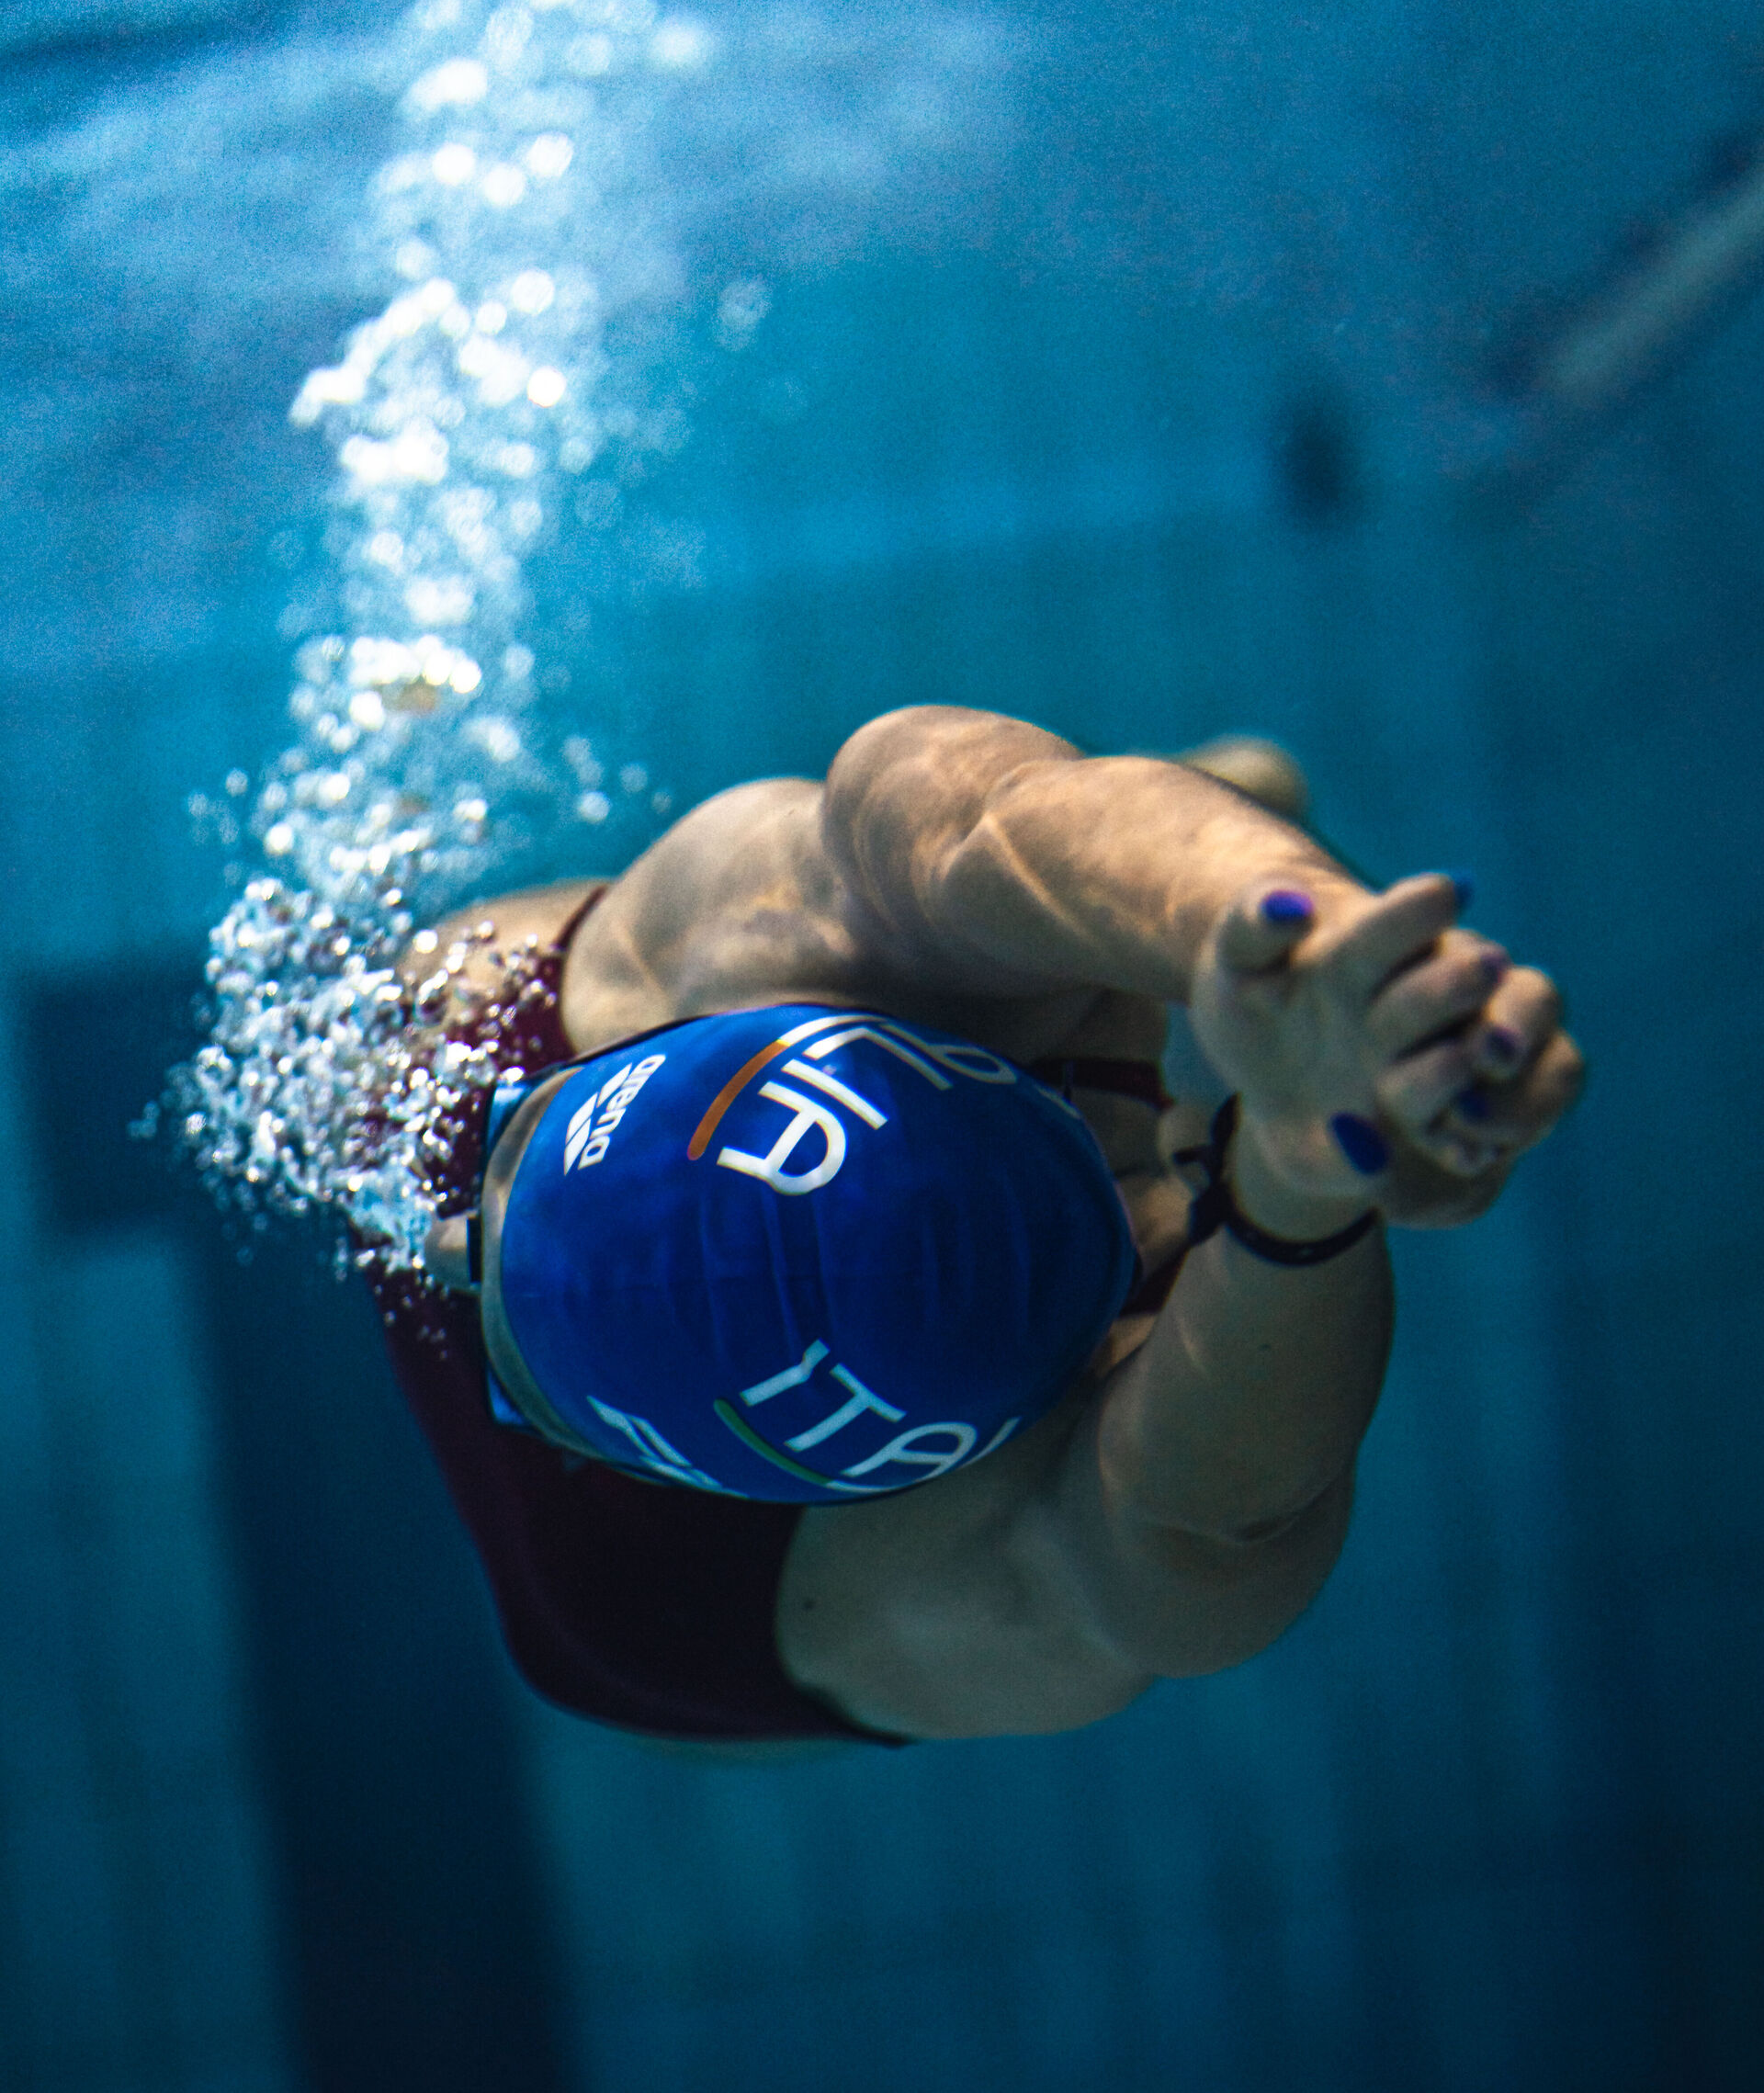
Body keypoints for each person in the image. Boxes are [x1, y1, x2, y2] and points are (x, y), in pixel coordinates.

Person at [377, 706, 1582, 1750]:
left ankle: (1212, 862)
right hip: (666, 1634)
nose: (454, 1240)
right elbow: (1212, 1517)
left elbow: (984, 820)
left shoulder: (742, 941)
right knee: (1126, 836)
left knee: (1033, 845)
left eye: (515, 1145)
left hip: (454, 1047)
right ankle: (1205, 851)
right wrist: (1305, 1179)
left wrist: (1296, 943)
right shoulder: (931, 1581)